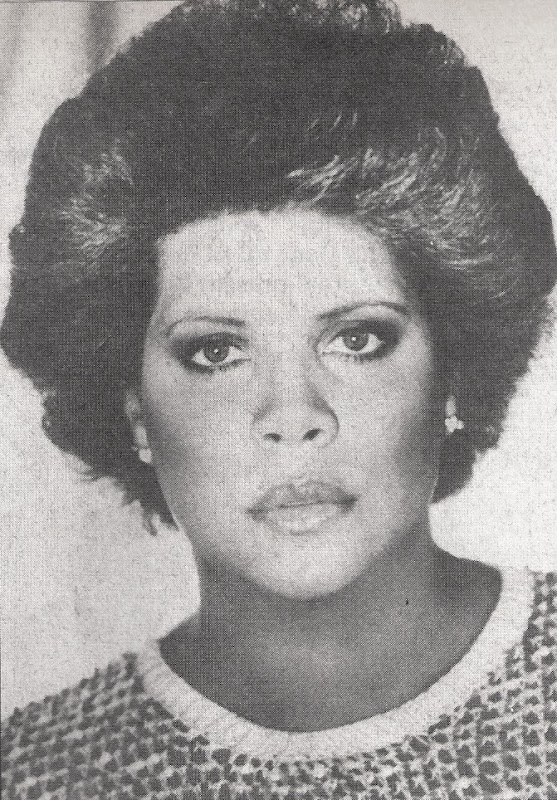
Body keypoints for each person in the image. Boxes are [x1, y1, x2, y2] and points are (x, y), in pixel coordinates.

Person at [1, 0, 556, 797]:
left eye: (357, 339)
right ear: (134, 412)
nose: (293, 417)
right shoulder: (36, 774)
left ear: (453, 375)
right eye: (215, 352)